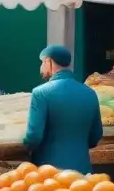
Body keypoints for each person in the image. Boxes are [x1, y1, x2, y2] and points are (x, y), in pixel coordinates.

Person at [23, 45, 102, 174]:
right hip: (82, 171)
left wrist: (23, 148)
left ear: (49, 61)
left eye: (42, 62)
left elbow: (34, 136)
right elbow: (96, 135)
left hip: (49, 173)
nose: (41, 67)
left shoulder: (41, 93)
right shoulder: (90, 93)